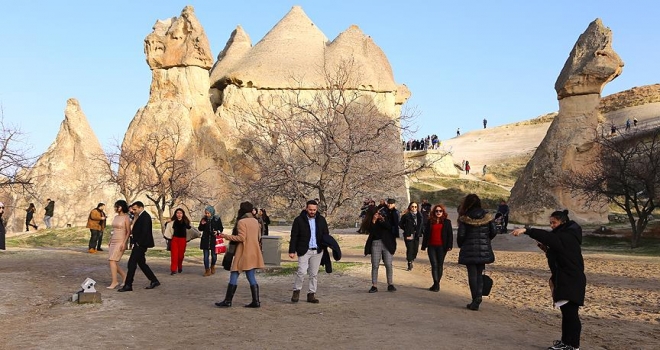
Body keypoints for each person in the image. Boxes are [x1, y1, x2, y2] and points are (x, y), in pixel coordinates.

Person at [512, 210, 586, 350]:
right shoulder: (563, 235)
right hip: (566, 278)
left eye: (554, 223)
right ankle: (566, 342)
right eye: (550, 223)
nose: (552, 225)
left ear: (562, 222)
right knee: (566, 313)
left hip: (571, 279)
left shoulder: (567, 236)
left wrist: (526, 230)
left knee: (571, 314)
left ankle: (573, 346)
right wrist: (547, 250)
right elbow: (559, 253)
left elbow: (548, 237)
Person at [215, 201, 265, 308]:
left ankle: (228, 301)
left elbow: (241, 238)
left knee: (234, 272)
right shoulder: (256, 221)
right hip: (253, 251)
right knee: (250, 276)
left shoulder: (242, 222)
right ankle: (256, 301)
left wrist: (226, 236)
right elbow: (259, 237)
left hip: (243, 251)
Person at [457, 194, 496, 311]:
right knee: (479, 273)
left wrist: (461, 245)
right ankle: (478, 297)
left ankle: (475, 299)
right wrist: (486, 240)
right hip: (483, 250)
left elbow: (461, 235)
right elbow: (493, 231)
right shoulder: (487, 216)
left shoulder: (465, 218)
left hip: (469, 249)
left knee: (472, 275)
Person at [288, 200, 330, 304]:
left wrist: (326, 246)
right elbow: (294, 236)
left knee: (314, 274)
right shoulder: (299, 220)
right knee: (301, 271)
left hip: (317, 250)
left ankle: (311, 294)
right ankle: (296, 291)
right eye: (310, 209)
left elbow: (326, 234)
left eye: (314, 210)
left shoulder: (321, 220)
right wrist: (292, 250)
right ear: (306, 208)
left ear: (317, 209)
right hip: (304, 250)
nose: (312, 211)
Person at [118, 201, 160, 292]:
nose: (133, 211)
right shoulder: (140, 216)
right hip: (138, 244)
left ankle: (128, 285)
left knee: (131, 264)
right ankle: (154, 280)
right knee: (141, 264)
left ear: (141, 208)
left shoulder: (145, 217)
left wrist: (138, 243)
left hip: (141, 244)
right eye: (132, 209)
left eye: (135, 209)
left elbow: (144, 232)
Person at [363, 205, 397, 293]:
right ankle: (374, 285)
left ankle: (390, 284)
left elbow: (389, 227)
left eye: (378, 212)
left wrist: (382, 220)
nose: (377, 214)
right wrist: (374, 221)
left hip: (387, 243)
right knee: (375, 265)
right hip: (376, 243)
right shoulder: (369, 221)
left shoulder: (384, 217)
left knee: (388, 264)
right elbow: (371, 232)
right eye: (375, 213)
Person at [422, 204, 453, 292]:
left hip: (442, 247)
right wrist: (424, 246)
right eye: (436, 211)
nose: (438, 212)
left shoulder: (447, 222)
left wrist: (449, 246)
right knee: (434, 265)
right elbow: (426, 234)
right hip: (431, 246)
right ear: (434, 212)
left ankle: (437, 284)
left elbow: (450, 235)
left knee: (440, 265)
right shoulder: (430, 221)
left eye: (440, 211)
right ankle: (436, 283)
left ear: (443, 212)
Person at [107, 200, 131, 289]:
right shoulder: (116, 217)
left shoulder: (126, 217)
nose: (117, 208)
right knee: (112, 261)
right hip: (114, 239)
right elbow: (113, 230)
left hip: (121, 240)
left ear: (122, 207)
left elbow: (128, 231)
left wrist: (124, 243)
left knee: (112, 260)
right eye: (116, 206)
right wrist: (110, 240)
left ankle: (114, 281)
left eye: (118, 206)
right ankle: (124, 277)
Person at [198, 205, 224, 276]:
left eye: (208, 213)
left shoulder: (216, 219)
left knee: (214, 256)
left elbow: (221, 228)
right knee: (205, 256)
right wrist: (202, 224)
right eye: (206, 213)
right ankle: (207, 270)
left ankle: (212, 265)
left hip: (213, 239)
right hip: (205, 239)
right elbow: (200, 229)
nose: (207, 214)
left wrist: (217, 232)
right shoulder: (204, 219)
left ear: (212, 212)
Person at [165, 208, 191, 275]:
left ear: (183, 214)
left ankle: (179, 266)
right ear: (175, 214)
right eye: (177, 213)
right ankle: (173, 269)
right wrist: (167, 222)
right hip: (175, 239)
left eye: (180, 213)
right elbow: (167, 227)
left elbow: (190, 228)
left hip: (182, 240)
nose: (179, 214)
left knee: (180, 256)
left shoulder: (186, 221)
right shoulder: (173, 222)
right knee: (174, 255)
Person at [399, 202, 423, 271]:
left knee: (415, 249)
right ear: (410, 207)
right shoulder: (406, 215)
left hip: (417, 234)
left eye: (415, 207)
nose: (414, 208)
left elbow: (422, 224)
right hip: (409, 234)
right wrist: (406, 229)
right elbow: (400, 224)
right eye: (412, 206)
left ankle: (412, 258)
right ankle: (409, 262)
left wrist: (421, 231)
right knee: (410, 248)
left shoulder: (420, 215)